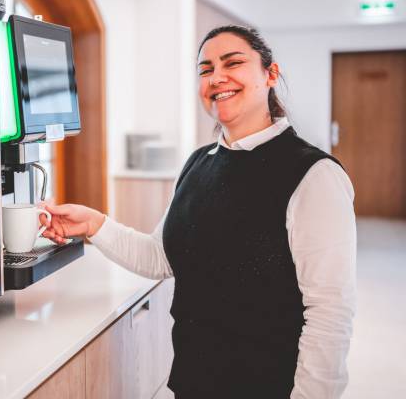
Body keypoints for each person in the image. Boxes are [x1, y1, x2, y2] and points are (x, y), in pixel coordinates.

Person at [40, 25, 356, 398]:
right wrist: (95, 224)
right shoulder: (198, 164)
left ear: (270, 74)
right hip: (193, 382)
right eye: (205, 70)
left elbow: (329, 314)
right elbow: (161, 256)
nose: (217, 77)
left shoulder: (313, 174)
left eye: (233, 63)